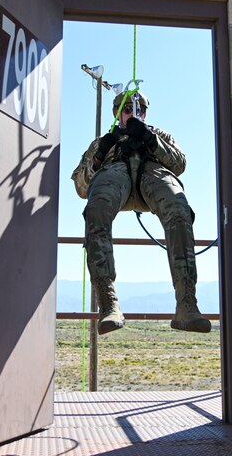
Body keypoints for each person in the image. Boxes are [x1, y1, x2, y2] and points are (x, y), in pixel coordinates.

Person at [72, 92, 211, 335]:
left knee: (179, 211)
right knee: (96, 209)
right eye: (127, 109)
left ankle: (186, 303)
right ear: (117, 113)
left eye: (140, 110)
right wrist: (99, 156)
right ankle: (108, 301)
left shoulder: (161, 136)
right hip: (116, 174)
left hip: (153, 173)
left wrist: (150, 139)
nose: (134, 114)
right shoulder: (102, 143)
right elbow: (81, 187)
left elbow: (179, 164)